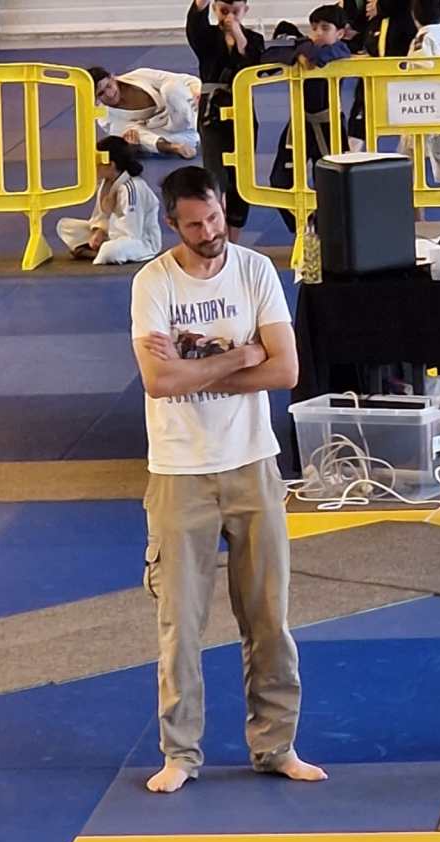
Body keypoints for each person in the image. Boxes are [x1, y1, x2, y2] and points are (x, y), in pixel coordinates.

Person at [130, 165, 327, 793]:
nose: (209, 231)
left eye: (214, 217)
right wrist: (242, 354)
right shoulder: (152, 283)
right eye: (194, 224)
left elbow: (286, 371)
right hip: (179, 472)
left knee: (269, 620)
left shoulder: (256, 271)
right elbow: (158, 382)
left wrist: (199, 368)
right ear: (173, 224)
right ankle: (180, 754)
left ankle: (277, 746)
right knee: (180, 627)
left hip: (252, 463)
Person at [186, 0, 265, 243]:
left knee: (241, 178)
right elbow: (194, 23)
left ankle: (234, 242)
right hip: (212, 114)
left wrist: (237, 33)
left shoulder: (254, 39)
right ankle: (217, 238)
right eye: (223, 11)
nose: (229, 16)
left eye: (235, 11)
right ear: (214, 9)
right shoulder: (207, 37)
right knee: (216, 176)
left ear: (245, 11)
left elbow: (253, 63)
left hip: (242, 112)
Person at [269, 5, 352, 232]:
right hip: (299, 122)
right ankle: (304, 228)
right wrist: (301, 49)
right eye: (314, 28)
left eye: (325, 28)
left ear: (340, 33)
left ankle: (329, 233)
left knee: (334, 183)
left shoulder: (341, 49)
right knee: (280, 181)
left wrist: (303, 50)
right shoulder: (305, 47)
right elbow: (270, 54)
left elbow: (322, 56)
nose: (317, 33)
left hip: (329, 125)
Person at [56, 136, 162, 264]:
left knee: (109, 250)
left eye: (97, 163)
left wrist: (107, 229)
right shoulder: (105, 184)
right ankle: (98, 250)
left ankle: (96, 252)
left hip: (140, 241)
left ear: (111, 164)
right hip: (113, 234)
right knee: (65, 226)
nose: (93, 167)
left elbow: (131, 232)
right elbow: (99, 217)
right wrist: (98, 231)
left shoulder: (132, 188)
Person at [399, 0, 440, 191]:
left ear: (414, 16)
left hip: (422, 109)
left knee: (409, 162)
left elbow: (421, 69)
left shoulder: (422, 39)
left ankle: (408, 207)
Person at [348, 0, 417, 150]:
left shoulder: (405, 14)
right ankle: (351, 156)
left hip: (402, 66)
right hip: (373, 65)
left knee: (409, 114)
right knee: (360, 112)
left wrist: (381, 6)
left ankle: (411, 157)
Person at [88, 66, 201, 159]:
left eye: (109, 86)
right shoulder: (106, 118)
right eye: (101, 93)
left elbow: (185, 80)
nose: (109, 94)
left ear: (113, 78)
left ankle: (199, 127)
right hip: (166, 130)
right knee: (133, 135)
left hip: (187, 110)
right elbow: (143, 136)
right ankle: (185, 142)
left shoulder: (139, 75)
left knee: (170, 87)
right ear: (95, 98)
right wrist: (174, 147)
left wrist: (196, 91)